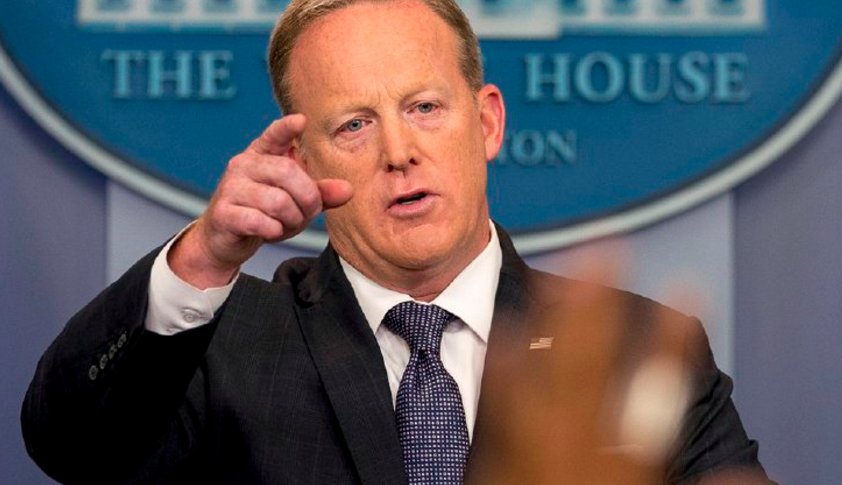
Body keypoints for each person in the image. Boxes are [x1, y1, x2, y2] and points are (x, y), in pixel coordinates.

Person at [22, 0, 771, 483]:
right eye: (354, 124)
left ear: (487, 123)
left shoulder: (632, 346)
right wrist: (203, 256)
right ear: (303, 161)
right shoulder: (225, 343)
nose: (398, 151)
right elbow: (70, 447)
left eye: (424, 107)